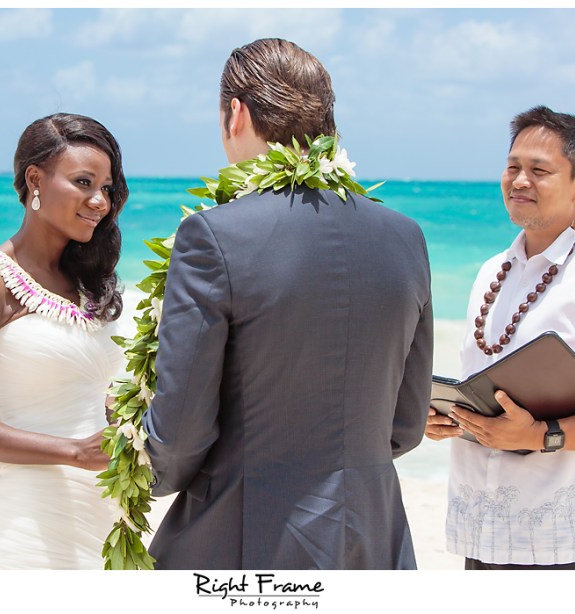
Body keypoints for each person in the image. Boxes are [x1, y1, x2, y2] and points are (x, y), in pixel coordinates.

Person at [141, 38, 434, 570]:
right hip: (373, 534)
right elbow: (407, 424)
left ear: (236, 114)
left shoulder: (213, 235)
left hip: (248, 533)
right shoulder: (405, 237)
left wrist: (146, 466)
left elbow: (181, 434)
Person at [425, 105, 575, 570]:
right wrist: (445, 417)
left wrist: (542, 435)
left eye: (539, 171)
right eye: (513, 167)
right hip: (484, 530)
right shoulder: (491, 271)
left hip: (572, 542)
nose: (519, 181)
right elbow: (486, 392)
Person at [0, 113, 129, 569]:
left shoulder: (90, 286)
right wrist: (74, 453)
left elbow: (90, 397)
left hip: (102, 520)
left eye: (106, 187)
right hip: (25, 523)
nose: (99, 201)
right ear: (35, 180)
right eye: (83, 182)